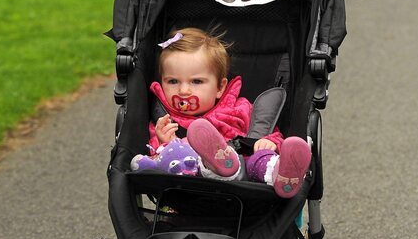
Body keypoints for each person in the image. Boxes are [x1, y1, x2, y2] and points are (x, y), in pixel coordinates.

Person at [131, 28, 312, 199]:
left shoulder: (239, 109)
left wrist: (270, 142)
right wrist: (164, 144)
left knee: (261, 157)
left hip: (248, 176)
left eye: (196, 81)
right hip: (194, 182)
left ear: (220, 87)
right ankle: (218, 164)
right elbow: (154, 159)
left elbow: (268, 131)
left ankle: (281, 176)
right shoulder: (165, 121)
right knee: (178, 154)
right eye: (172, 81)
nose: (184, 90)